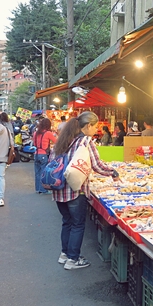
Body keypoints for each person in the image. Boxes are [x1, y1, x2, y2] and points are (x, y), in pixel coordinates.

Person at [51, 111, 120, 270]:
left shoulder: (65, 139)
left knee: (67, 222)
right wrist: (113, 172)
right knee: (77, 224)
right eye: (95, 127)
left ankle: (65, 254)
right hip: (76, 190)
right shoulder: (85, 141)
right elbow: (97, 165)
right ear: (88, 125)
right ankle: (73, 259)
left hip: (59, 188)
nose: (96, 130)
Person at [33, 118, 57, 194]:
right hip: (43, 154)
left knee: (37, 172)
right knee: (43, 172)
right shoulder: (48, 133)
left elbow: (34, 143)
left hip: (36, 154)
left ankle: (38, 189)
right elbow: (56, 141)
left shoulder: (35, 133)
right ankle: (43, 189)